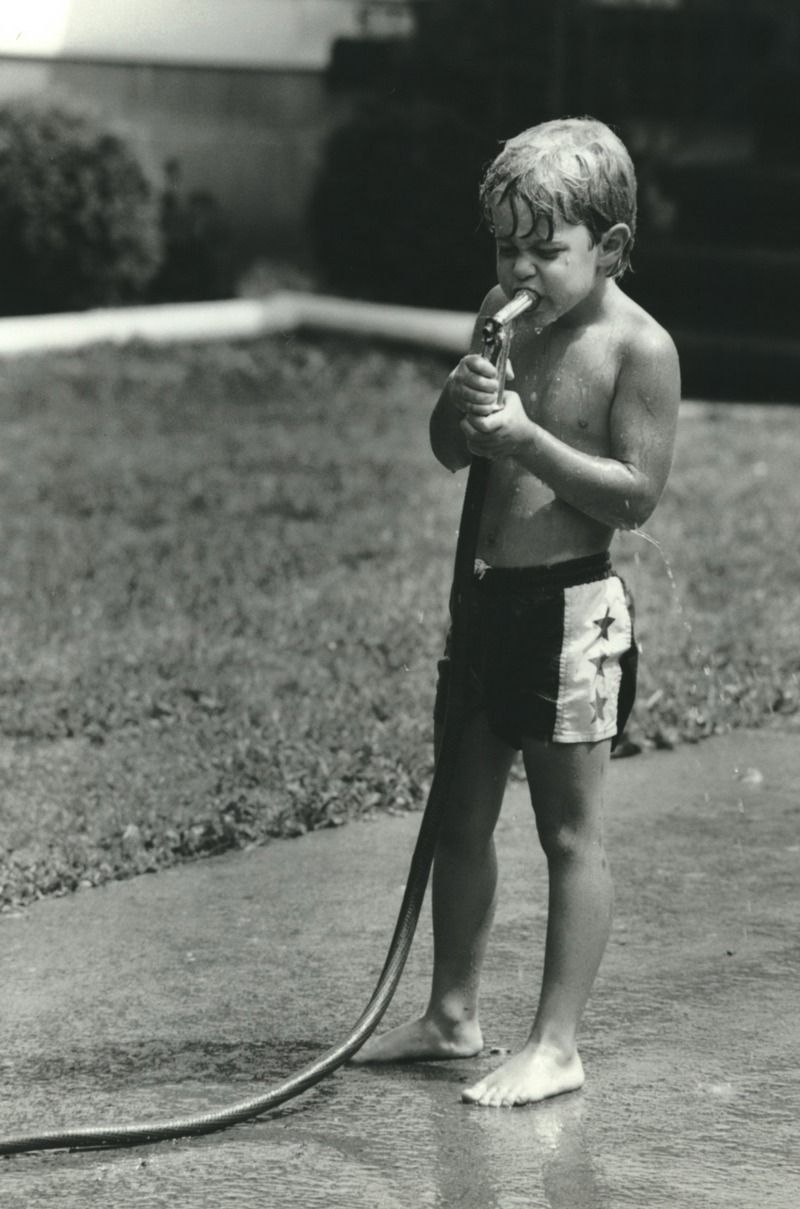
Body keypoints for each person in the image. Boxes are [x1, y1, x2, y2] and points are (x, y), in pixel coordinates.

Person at [353, 117, 680, 1106]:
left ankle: (556, 1044)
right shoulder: (500, 313)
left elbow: (633, 497)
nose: (522, 267)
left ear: (609, 248)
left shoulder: (636, 348)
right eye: (506, 246)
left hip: (571, 614)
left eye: (547, 249)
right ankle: (451, 1012)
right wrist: (459, 406)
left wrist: (529, 440)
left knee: (567, 833)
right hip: (487, 602)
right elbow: (452, 452)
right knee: (460, 817)